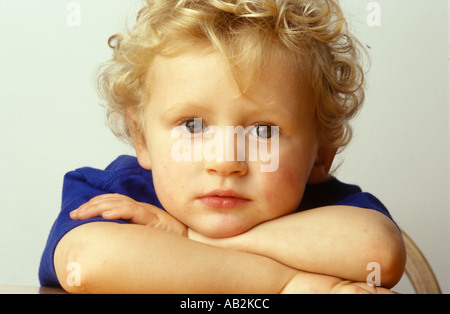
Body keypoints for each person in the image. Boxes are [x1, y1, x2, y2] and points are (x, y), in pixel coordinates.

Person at [39, 0, 406, 293]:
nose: (225, 161)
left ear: (320, 156)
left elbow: (380, 253)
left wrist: (189, 237)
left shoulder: (326, 209)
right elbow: (87, 267)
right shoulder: (120, 194)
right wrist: (288, 284)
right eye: (193, 125)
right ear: (141, 138)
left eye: (263, 131)